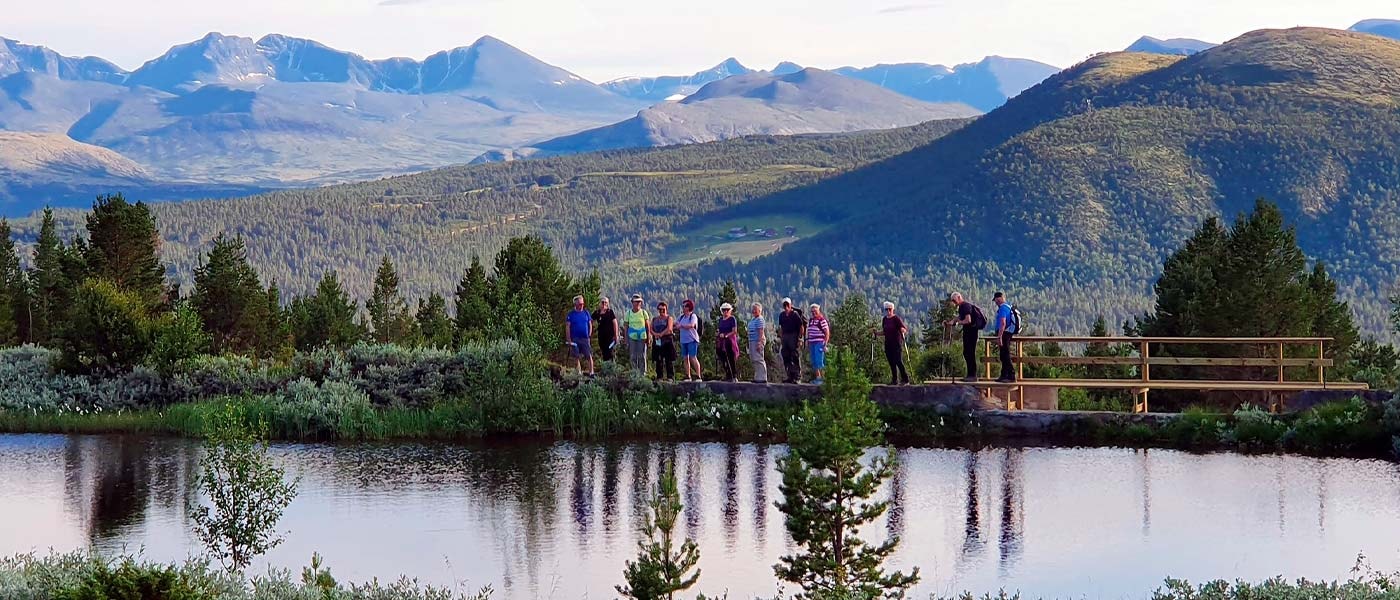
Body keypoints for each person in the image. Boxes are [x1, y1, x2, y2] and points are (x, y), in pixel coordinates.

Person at [945, 292, 985, 383]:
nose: (954, 303)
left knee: (969, 353)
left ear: (959, 297)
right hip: (970, 332)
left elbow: (968, 320)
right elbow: (959, 317)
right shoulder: (962, 307)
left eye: (954, 300)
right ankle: (970, 374)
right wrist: (952, 322)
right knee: (967, 352)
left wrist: (958, 323)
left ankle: (972, 375)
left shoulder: (965, 306)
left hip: (971, 333)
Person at [876, 301, 910, 385]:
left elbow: (904, 329)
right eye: (886, 309)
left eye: (889, 309)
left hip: (896, 343)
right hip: (888, 344)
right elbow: (885, 332)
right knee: (891, 362)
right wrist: (876, 333)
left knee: (898, 361)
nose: (888, 311)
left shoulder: (896, 319)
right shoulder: (884, 320)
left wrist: (902, 330)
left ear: (892, 309)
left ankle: (905, 379)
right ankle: (895, 380)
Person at [777, 297, 806, 384]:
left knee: (795, 356)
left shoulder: (795, 315)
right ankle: (790, 376)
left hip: (793, 336)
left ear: (790, 305)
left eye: (787, 305)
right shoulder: (781, 315)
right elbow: (781, 328)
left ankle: (797, 376)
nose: (786, 307)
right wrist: (781, 338)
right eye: (784, 305)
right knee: (786, 356)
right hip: (785, 337)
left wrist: (800, 338)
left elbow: (801, 327)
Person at [566, 295, 594, 376]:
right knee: (576, 356)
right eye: (580, 304)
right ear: (575, 304)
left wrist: (589, 335)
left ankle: (591, 372)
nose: (582, 305)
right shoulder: (571, 314)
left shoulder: (586, 312)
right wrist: (569, 339)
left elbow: (590, 324)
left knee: (588, 355)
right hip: (575, 338)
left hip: (585, 338)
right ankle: (579, 372)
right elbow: (567, 326)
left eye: (582, 303)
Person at [993, 291, 1017, 383]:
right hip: (1007, 333)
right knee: (1003, 355)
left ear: (998, 298)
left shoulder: (1003, 308)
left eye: (995, 300)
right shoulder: (1008, 307)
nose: (995, 302)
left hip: (1004, 334)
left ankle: (1011, 375)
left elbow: (1003, 322)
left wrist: (999, 336)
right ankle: (1004, 375)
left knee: (1005, 355)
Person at [624, 294, 651, 374]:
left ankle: (643, 373)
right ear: (632, 303)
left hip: (642, 337)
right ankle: (634, 372)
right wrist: (626, 339)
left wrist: (648, 337)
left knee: (642, 355)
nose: (638, 303)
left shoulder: (643, 313)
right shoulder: (628, 313)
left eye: (639, 302)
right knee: (633, 356)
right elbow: (626, 327)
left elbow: (647, 326)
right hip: (632, 337)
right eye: (636, 302)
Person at [676, 299, 703, 381]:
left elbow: (692, 325)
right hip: (683, 340)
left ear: (688, 307)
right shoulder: (681, 317)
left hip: (692, 340)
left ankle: (698, 375)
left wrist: (681, 326)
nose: (683, 308)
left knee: (693, 357)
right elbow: (675, 324)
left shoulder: (693, 316)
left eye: (684, 306)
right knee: (685, 358)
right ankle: (688, 376)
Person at [651, 301, 678, 381]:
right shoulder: (655, 319)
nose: (661, 311)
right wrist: (655, 334)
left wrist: (661, 334)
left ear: (666, 309)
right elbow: (650, 329)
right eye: (660, 309)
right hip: (657, 341)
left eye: (663, 309)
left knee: (668, 360)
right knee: (658, 360)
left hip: (667, 341)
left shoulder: (669, 318)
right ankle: (659, 376)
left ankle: (670, 376)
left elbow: (669, 329)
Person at [806, 303, 830, 385]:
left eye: (815, 311)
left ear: (819, 310)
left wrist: (825, 344)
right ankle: (818, 378)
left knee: (819, 361)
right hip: (812, 343)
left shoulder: (822, 320)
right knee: (814, 361)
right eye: (812, 311)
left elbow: (827, 333)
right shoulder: (811, 320)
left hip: (819, 343)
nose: (813, 313)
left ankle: (823, 379)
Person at [715, 303, 740, 382]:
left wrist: (726, 335)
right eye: (723, 310)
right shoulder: (721, 320)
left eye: (727, 310)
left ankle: (734, 375)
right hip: (722, 342)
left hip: (729, 341)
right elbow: (719, 330)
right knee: (723, 358)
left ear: (730, 311)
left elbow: (734, 331)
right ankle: (728, 374)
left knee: (731, 358)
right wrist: (719, 334)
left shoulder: (732, 319)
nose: (725, 312)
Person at [592, 297, 620, 362]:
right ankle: (606, 367)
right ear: (600, 303)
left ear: (608, 304)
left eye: (606, 302)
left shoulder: (610, 312)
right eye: (602, 302)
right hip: (601, 336)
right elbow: (590, 320)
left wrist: (616, 335)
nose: (604, 303)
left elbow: (615, 323)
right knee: (604, 351)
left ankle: (611, 367)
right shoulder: (597, 312)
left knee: (609, 352)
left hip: (610, 336)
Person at [747, 302, 768, 384]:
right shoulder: (753, 319)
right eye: (753, 310)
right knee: (754, 359)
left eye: (756, 310)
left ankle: (762, 377)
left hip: (757, 340)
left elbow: (761, 331)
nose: (754, 311)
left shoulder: (760, 319)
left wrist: (759, 342)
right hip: (752, 340)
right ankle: (757, 376)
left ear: (760, 310)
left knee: (759, 358)